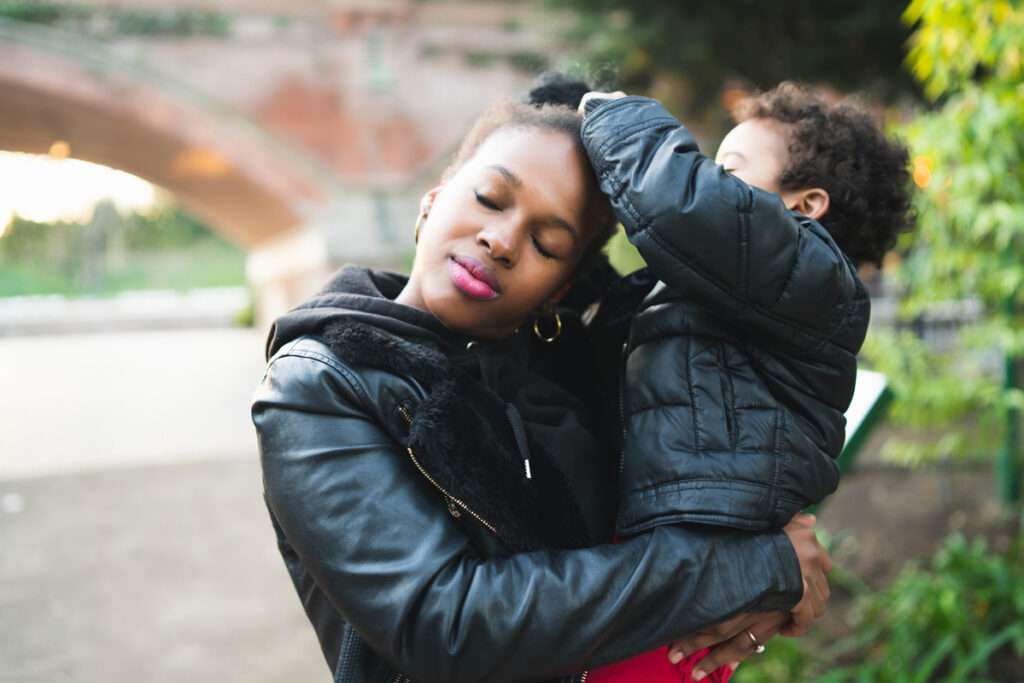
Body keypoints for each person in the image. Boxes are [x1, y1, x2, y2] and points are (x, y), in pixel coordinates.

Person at [251, 94, 833, 683]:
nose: (502, 241)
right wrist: (748, 568)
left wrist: (771, 579)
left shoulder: (580, 372)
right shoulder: (316, 386)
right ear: (432, 199)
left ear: (560, 289)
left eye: (546, 245)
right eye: (489, 199)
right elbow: (445, 627)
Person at [577, 83, 913, 681]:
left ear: (804, 207)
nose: (710, 179)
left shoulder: (814, 275)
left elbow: (676, 205)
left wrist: (615, 112)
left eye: (728, 171)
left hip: (696, 569)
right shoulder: (740, 295)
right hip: (671, 557)